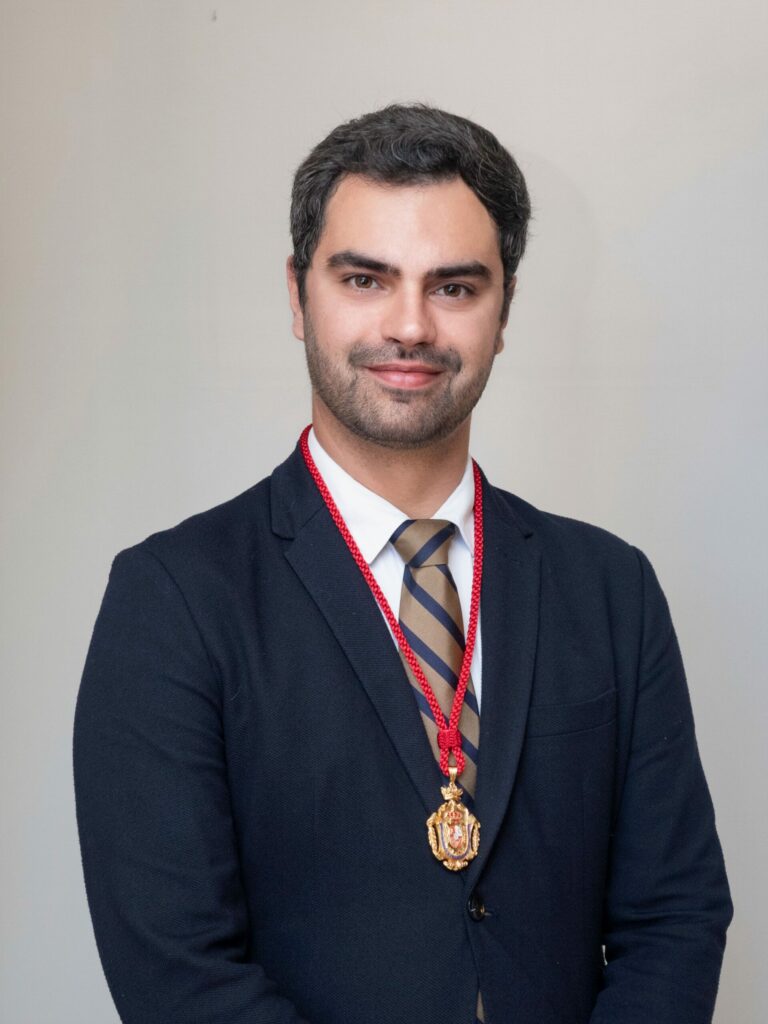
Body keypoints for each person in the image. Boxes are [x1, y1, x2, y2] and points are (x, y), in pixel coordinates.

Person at [74, 104, 732, 1024]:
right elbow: (176, 970)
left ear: (504, 311)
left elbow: (676, 918)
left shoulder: (612, 590)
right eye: (365, 279)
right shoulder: (174, 599)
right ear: (299, 295)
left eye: (454, 287)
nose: (411, 326)